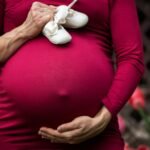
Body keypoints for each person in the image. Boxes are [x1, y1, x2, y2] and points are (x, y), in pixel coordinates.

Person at [0, 0, 145, 150]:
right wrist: (24, 30)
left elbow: (131, 57)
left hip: (96, 134)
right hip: (14, 130)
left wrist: (102, 119)